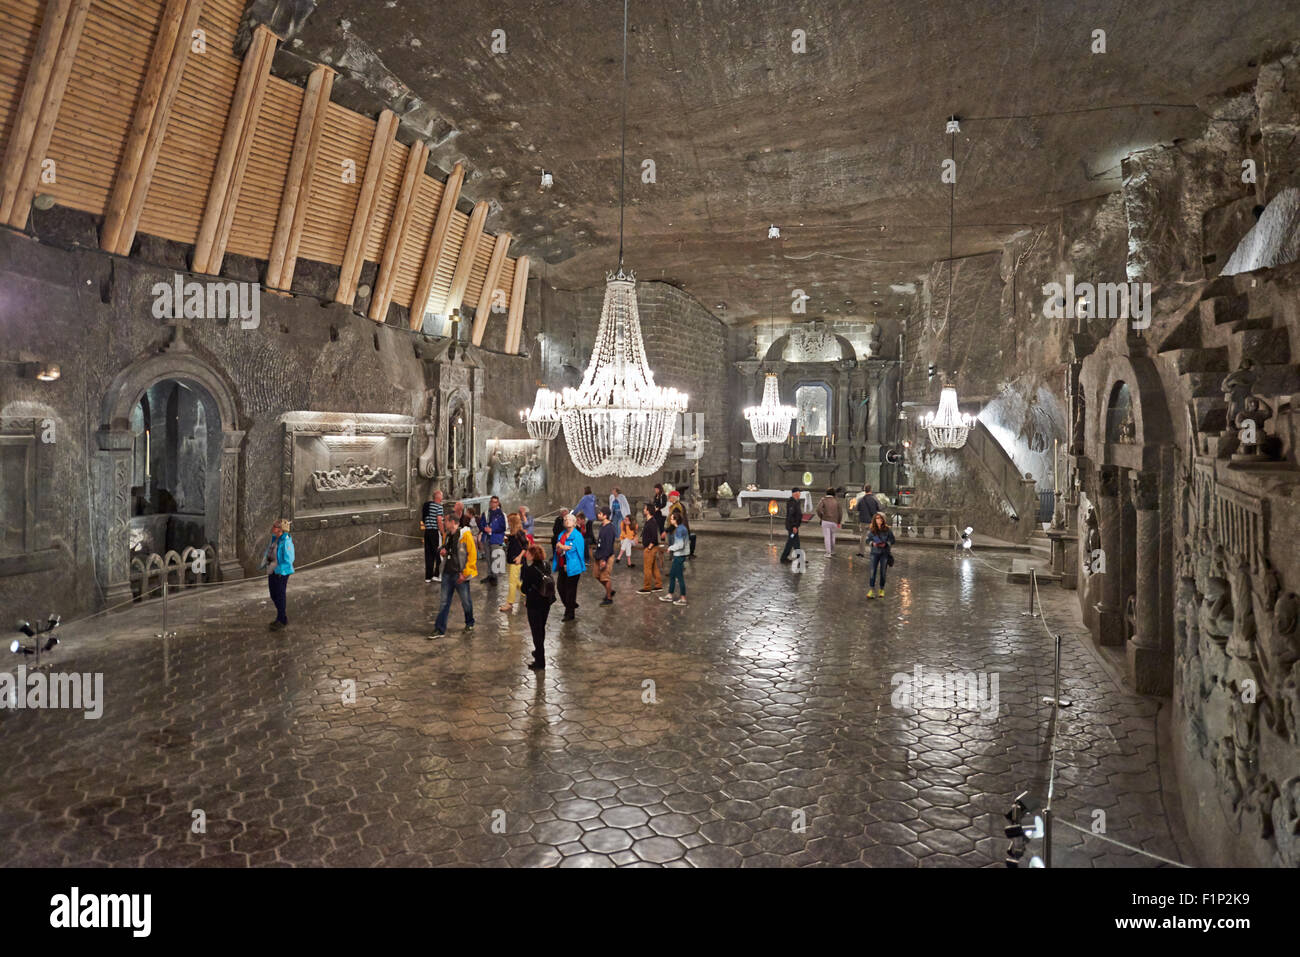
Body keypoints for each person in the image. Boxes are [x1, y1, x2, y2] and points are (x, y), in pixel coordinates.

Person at [431, 511, 477, 638]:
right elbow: (445, 548)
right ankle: (439, 629)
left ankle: (470, 623)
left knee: (466, 601)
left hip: (460, 574)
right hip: (447, 573)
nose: (443, 523)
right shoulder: (449, 535)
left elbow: (472, 556)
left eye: (445, 521)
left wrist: (465, 573)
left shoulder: (465, 535)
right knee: (444, 602)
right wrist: (443, 550)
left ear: (452, 522)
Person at [520, 544, 555, 670]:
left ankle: (540, 661)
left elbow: (524, 588)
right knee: (541, 628)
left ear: (532, 555)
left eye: (528, 553)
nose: (526, 555)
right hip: (546, 602)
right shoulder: (546, 565)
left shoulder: (530, 570)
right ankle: (538, 651)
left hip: (534, 604)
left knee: (536, 633)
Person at [259, 517, 295, 631]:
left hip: (281, 572)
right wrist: (265, 562)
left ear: (280, 529)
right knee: (273, 594)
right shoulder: (274, 539)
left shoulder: (286, 542)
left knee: (280, 594)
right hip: (272, 570)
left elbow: (289, 559)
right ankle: (281, 616)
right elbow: (269, 551)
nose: (272, 528)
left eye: (275, 526)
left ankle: (281, 618)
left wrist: (280, 569)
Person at [552, 512, 586, 621]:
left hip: (573, 567)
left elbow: (576, 551)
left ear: (575, 523)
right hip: (562, 565)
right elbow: (559, 549)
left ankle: (569, 614)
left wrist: (562, 546)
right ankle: (570, 605)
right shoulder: (561, 535)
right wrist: (560, 547)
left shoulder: (577, 536)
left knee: (571, 590)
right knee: (560, 588)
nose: (567, 521)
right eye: (565, 519)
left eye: (570, 519)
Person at [501, 512, 530, 613]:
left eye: (509, 521)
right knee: (515, 581)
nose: (508, 523)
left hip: (516, 561)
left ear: (513, 522)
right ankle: (526, 593)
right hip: (510, 560)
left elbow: (526, 546)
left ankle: (510, 603)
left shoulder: (519, 533)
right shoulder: (513, 533)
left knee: (512, 583)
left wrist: (519, 557)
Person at [659, 511, 689, 605]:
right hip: (680, 555)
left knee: (679, 577)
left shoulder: (679, 530)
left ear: (676, 520)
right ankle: (670, 595)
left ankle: (683, 598)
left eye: (671, 518)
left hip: (679, 555)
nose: (670, 520)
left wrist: (670, 548)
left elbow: (680, 545)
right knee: (672, 575)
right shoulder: (681, 528)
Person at [865, 512, 895, 599]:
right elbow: (867, 540)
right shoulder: (872, 530)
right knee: (872, 571)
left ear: (883, 519)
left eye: (881, 518)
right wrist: (872, 543)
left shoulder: (887, 530)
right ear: (874, 520)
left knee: (883, 572)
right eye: (877, 518)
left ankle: (881, 589)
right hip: (874, 553)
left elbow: (892, 540)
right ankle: (871, 590)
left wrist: (886, 544)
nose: (879, 520)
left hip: (884, 553)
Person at [592, 506, 618, 605]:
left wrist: (604, 559)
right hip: (599, 554)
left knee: (605, 577)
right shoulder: (602, 526)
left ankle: (609, 598)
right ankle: (610, 590)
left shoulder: (610, 528)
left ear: (605, 515)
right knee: (596, 575)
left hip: (606, 556)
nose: (598, 515)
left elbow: (608, 546)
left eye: (600, 513)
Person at [637, 503, 663, 594]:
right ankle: (658, 585)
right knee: (654, 567)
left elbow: (654, 537)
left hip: (650, 549)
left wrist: (649, 548)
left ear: (648, 510)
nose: (643, 510)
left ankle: (647, 587)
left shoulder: (652, 522)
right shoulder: (649, 521)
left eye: (645, 509)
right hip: (650, 548)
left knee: (647, 568)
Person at [482, 495, 507, 586]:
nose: (493, 503)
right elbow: (481, 523)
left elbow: (503, 527)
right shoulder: (485, 513)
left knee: (495, 558)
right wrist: (484, 528)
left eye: (495, 502)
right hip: (486, 538)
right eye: (492, 501)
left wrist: (492, 530)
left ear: (498, 503)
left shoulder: (501, 514)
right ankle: (489, 575)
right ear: (490, 502)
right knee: (488, 558)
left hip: (496, 538)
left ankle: (495, 577)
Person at [420, 489, 444, 583]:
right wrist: (442, 532)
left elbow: (424, 519)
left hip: (427, 532)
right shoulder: (439, 507)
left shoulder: (427, 505)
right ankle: (437, 574)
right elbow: (439, 520)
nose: (442, 498)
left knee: (428, 554)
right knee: (438, 553)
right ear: (438, 497)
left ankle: (428, 577)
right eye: (441, 496)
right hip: (434, 532)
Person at [816, 487, 842, 558]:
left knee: (827, 537)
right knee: (833, 536)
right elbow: (840, 512)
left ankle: (828, 553)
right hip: (834, 521)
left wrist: (821, 516)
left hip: (826, 520)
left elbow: (818, 509)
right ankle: (833, 551)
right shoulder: (836, 501)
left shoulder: (823, 500)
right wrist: (839, 521)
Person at [856, 484, 881, 557]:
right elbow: (879, 507)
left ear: (864, 490)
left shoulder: (861, 499)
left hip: (863, 521)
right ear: (871, 490)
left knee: (863, 537)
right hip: (872, 521)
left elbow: (858, 508)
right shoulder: (875, 498)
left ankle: (861, 552)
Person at [779, 488, 803, 563]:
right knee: (795, 542)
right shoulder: (792, 503)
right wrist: (794, 526)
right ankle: (799, 559)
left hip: (794, 527)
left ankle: (784, 558)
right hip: (792, 527)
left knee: (791, 542)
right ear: (795, 493)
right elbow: (791, 515)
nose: (800, 494)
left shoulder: (797, 502)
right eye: (799, 493)